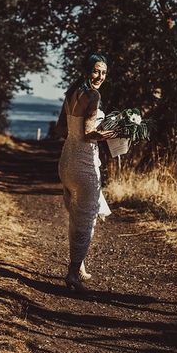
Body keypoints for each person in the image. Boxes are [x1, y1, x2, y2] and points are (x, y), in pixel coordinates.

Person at [55, 53, 116, 291]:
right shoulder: (93, 95)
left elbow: (61, 129)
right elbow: (89, 133)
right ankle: (72, 274)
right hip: (84, 165)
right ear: (86, 71)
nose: (100, 76)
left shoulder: (71, 94)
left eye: (103, 72)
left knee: (77, 213)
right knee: (87, 217)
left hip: (66, 161)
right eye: (96, 71)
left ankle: (78, 267)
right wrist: (114, 133)